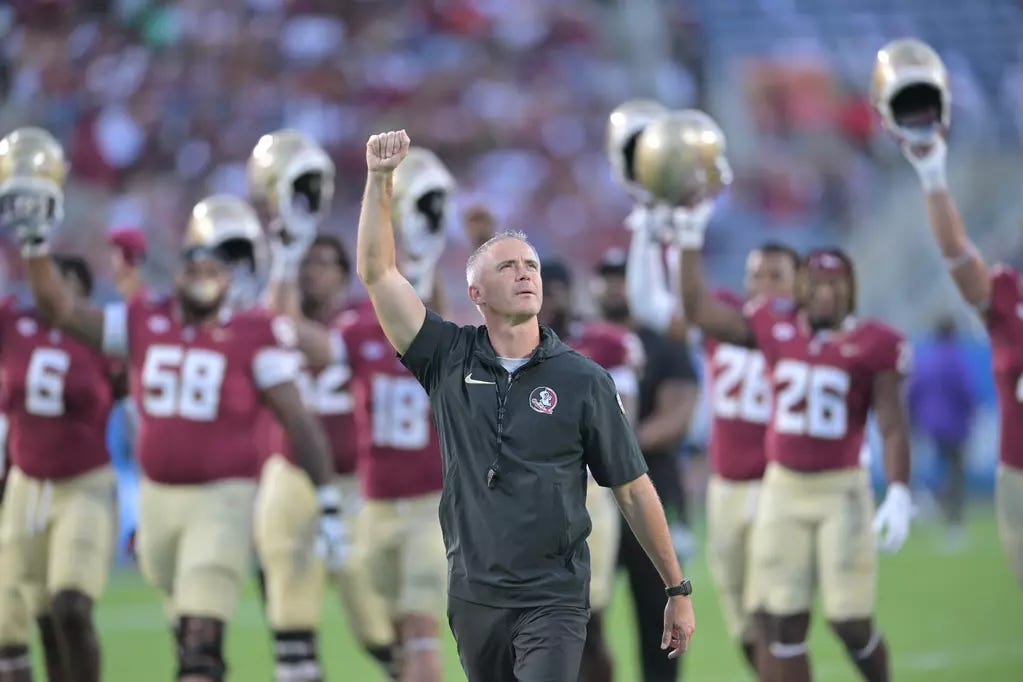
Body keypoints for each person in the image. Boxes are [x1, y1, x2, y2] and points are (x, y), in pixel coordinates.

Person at [356, 129, 695, 682]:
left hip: (554, 596)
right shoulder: (447, 357)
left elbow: (632, 488)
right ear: (476, 293)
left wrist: (677, 588)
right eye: (508, 266)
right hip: (475, 593)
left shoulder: (584, 380)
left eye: (531, 265)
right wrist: (379, 181)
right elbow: (378, 273)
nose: (525, 273)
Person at [4, 159, 344, 681]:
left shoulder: (253, 330)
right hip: (157, 504)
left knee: (199, 647)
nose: (204, 278)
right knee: (185, 635)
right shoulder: (145, 320)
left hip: (224, 499)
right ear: (178, 271)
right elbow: (63, 311)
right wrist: (36, 244)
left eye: (217, 268)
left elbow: (302, 406)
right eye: (195, 267)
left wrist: (325, 500)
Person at [627, 209, 801, 672]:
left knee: (770, 614)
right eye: (756, 275)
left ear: (798, 285)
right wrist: (646, 231)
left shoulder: (803, 333)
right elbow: (652, 305)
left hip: (777, 484)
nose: (763, 284)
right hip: (725, 487)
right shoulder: (727, 322)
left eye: (776, 276)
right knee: (743, 623)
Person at [899, 133, 1023, 583]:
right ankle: (943, 511)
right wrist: (933, 175)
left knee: (945, 468)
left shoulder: (933, 356)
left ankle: (940, 509)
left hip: (946, 425)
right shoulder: (1008, 293)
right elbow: (956, 254)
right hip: (1017, 471)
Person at [0, 255, 121, 682]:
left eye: (70, 282)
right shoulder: (14, 326)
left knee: (71, 605)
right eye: (51, 280)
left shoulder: (101, 336)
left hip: (83, 484)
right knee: (43, 622)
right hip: (25, 486)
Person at [593, 248, 699, 682]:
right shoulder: (579, 340)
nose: (614, 285)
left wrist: (608, 448)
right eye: (607, 276)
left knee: (659, 609)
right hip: (592, 499)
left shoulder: (664, 345)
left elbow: (676, 416)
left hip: (650, 490)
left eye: (622, 276)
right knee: (584, 612)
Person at [537, 257, 643, 682]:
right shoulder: (504, 348)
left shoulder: (604, 343)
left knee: (587, 622)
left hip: (587, 493)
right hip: (527, 498)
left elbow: (624, 423)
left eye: (551, 290)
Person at [907, 317, 975, 543]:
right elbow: (966, 392)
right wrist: (970, 416)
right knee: (955, 474)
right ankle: (953, 522)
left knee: (939, 468)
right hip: (955, 426)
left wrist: (914, 419)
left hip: (930, 424)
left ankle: (929, 501)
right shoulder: (956, 359)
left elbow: (913, 391)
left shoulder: (927, 358)